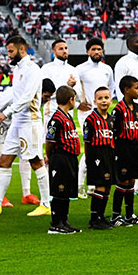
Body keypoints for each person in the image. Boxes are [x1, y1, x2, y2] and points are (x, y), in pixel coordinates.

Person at [0, 36, 51, 217]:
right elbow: (17, 95)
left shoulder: (33, 69)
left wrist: (5, 112)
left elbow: (26, 97)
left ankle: (46, 204)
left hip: (30, 121)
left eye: (11, 51)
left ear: (22, 49)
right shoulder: (18, 69)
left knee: (35, 161)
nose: (8, 55)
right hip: (18, 121)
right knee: (5, 160)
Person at [76, 37, 114, 196]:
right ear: (87, 52)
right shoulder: (79, 69)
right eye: (93, 49)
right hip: (87, 114)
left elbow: (110, 89)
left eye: (99, 49)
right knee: (91, 148)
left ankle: (93, 184)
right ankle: (79, 186)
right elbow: (73, 90)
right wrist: (79, 104)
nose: (97, 52)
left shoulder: (107, 69)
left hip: (103, 114)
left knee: (101, 149)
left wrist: (106, 105)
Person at [0, 85, 35, 207]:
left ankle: (27, 194)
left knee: (25, 151)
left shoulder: (35, 93)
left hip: (15, 120)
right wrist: (6, 118)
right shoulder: (16, 92)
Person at [45, 86, 82, 235]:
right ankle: (55, 224)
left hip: (70, 158)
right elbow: (49, 141)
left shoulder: (68, 116)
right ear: (70, 100)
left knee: (66, 191)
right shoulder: (56, 119)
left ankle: (64, 221)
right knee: (60, 191)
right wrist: (49, 156)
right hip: (60, 158)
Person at [111, 75, 138, 226]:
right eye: (136, 88)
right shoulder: (118, 110)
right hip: (123, 148)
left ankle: (129, 214)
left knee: (132, 180)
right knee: (122, 181)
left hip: (134, 148)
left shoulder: (137, 108)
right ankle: (115, 216)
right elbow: (113, 131)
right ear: (126, 90)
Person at [83, 87, 116, 230]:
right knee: (100, 186)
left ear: (111, 100)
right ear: (95, 101)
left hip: (109, 154)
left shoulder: (111, 119)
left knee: (108, 187)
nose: (104, 101)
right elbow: (87, 142)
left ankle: (101, 216)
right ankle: (94, 219)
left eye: (106, 98)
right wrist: (89, 159)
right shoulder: (90, 119)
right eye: (100, 98)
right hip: (96, 155)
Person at [114, 34, 138, 101]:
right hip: (131, 107)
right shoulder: (122, 63)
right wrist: (126, 107)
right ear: (129, 45)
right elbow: (119, 88)